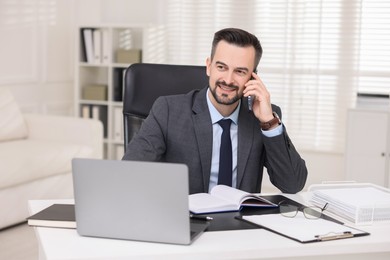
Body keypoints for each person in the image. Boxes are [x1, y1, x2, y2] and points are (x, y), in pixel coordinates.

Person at [123, 28, 307, 194]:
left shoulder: (263, 117)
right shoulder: (168, 111)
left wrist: (269, 122)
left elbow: (292, 184)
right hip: (186, 222)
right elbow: (130, 174)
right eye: (221, 67)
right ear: (209, 66)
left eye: (240, 71)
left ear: (253, 77)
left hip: (240, 226)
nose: (228, 79)